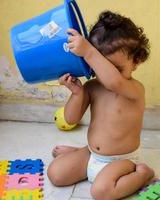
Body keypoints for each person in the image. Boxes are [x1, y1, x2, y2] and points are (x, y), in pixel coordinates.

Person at [47, 10, 155, 200]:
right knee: (55, 173)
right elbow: (71, 119)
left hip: (122, 160)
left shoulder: (134, 90)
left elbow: (114, 82)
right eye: (99, 65)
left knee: (101, 192)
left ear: (136, 61)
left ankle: (142, 174)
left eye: (115, 68)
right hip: (92, 154)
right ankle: (79, 151)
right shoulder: (92, 87)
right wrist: (77, 93)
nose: (105, 74)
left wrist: (88, 51)